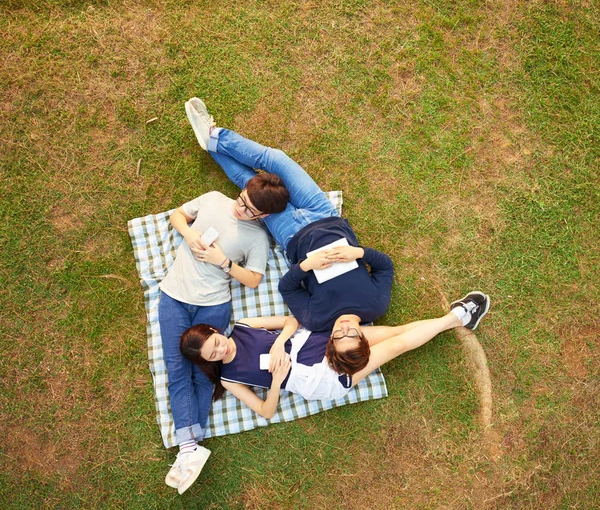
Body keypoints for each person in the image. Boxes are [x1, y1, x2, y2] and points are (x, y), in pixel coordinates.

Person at [185, 97, 395, 369]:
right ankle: (214, 137)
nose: (343, 328)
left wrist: (307, 265)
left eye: (338, 336)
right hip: (325, 214)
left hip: (290, 234)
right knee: (276, 159)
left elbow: (287, 287)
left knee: (248, 184)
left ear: (330, 339)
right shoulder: (376, 305)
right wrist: (358, 253)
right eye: (351, 334)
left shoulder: (316, 320)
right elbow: (385, 266)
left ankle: (211, 143)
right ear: (363, 337)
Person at [158, 172, 289, 494]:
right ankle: (190, 447)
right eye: (242, 201)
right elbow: (178, 214)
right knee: (177, 367)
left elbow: (255, 279)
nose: (241, 210)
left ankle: (189, 445)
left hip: (214, 305)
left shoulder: (257, 238)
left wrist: (225, 263)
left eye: (250, 211)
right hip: (174, 296)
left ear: (264, 216)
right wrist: (188, 235)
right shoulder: (215, 199)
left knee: (206, 373)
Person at [179, 292, 491, 418]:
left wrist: (278, 343)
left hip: (315, 342)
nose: (222, 348)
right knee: (394, 348)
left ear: (215, 331)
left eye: (216, 340)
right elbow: (265, 411)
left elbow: (291, 322)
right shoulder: (231, 378)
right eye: (214, 353)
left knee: (394, 332)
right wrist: (275, 382)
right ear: (209, 361)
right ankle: (457, 318)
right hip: (315, 378)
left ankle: (456, 318)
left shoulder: (244, 326)